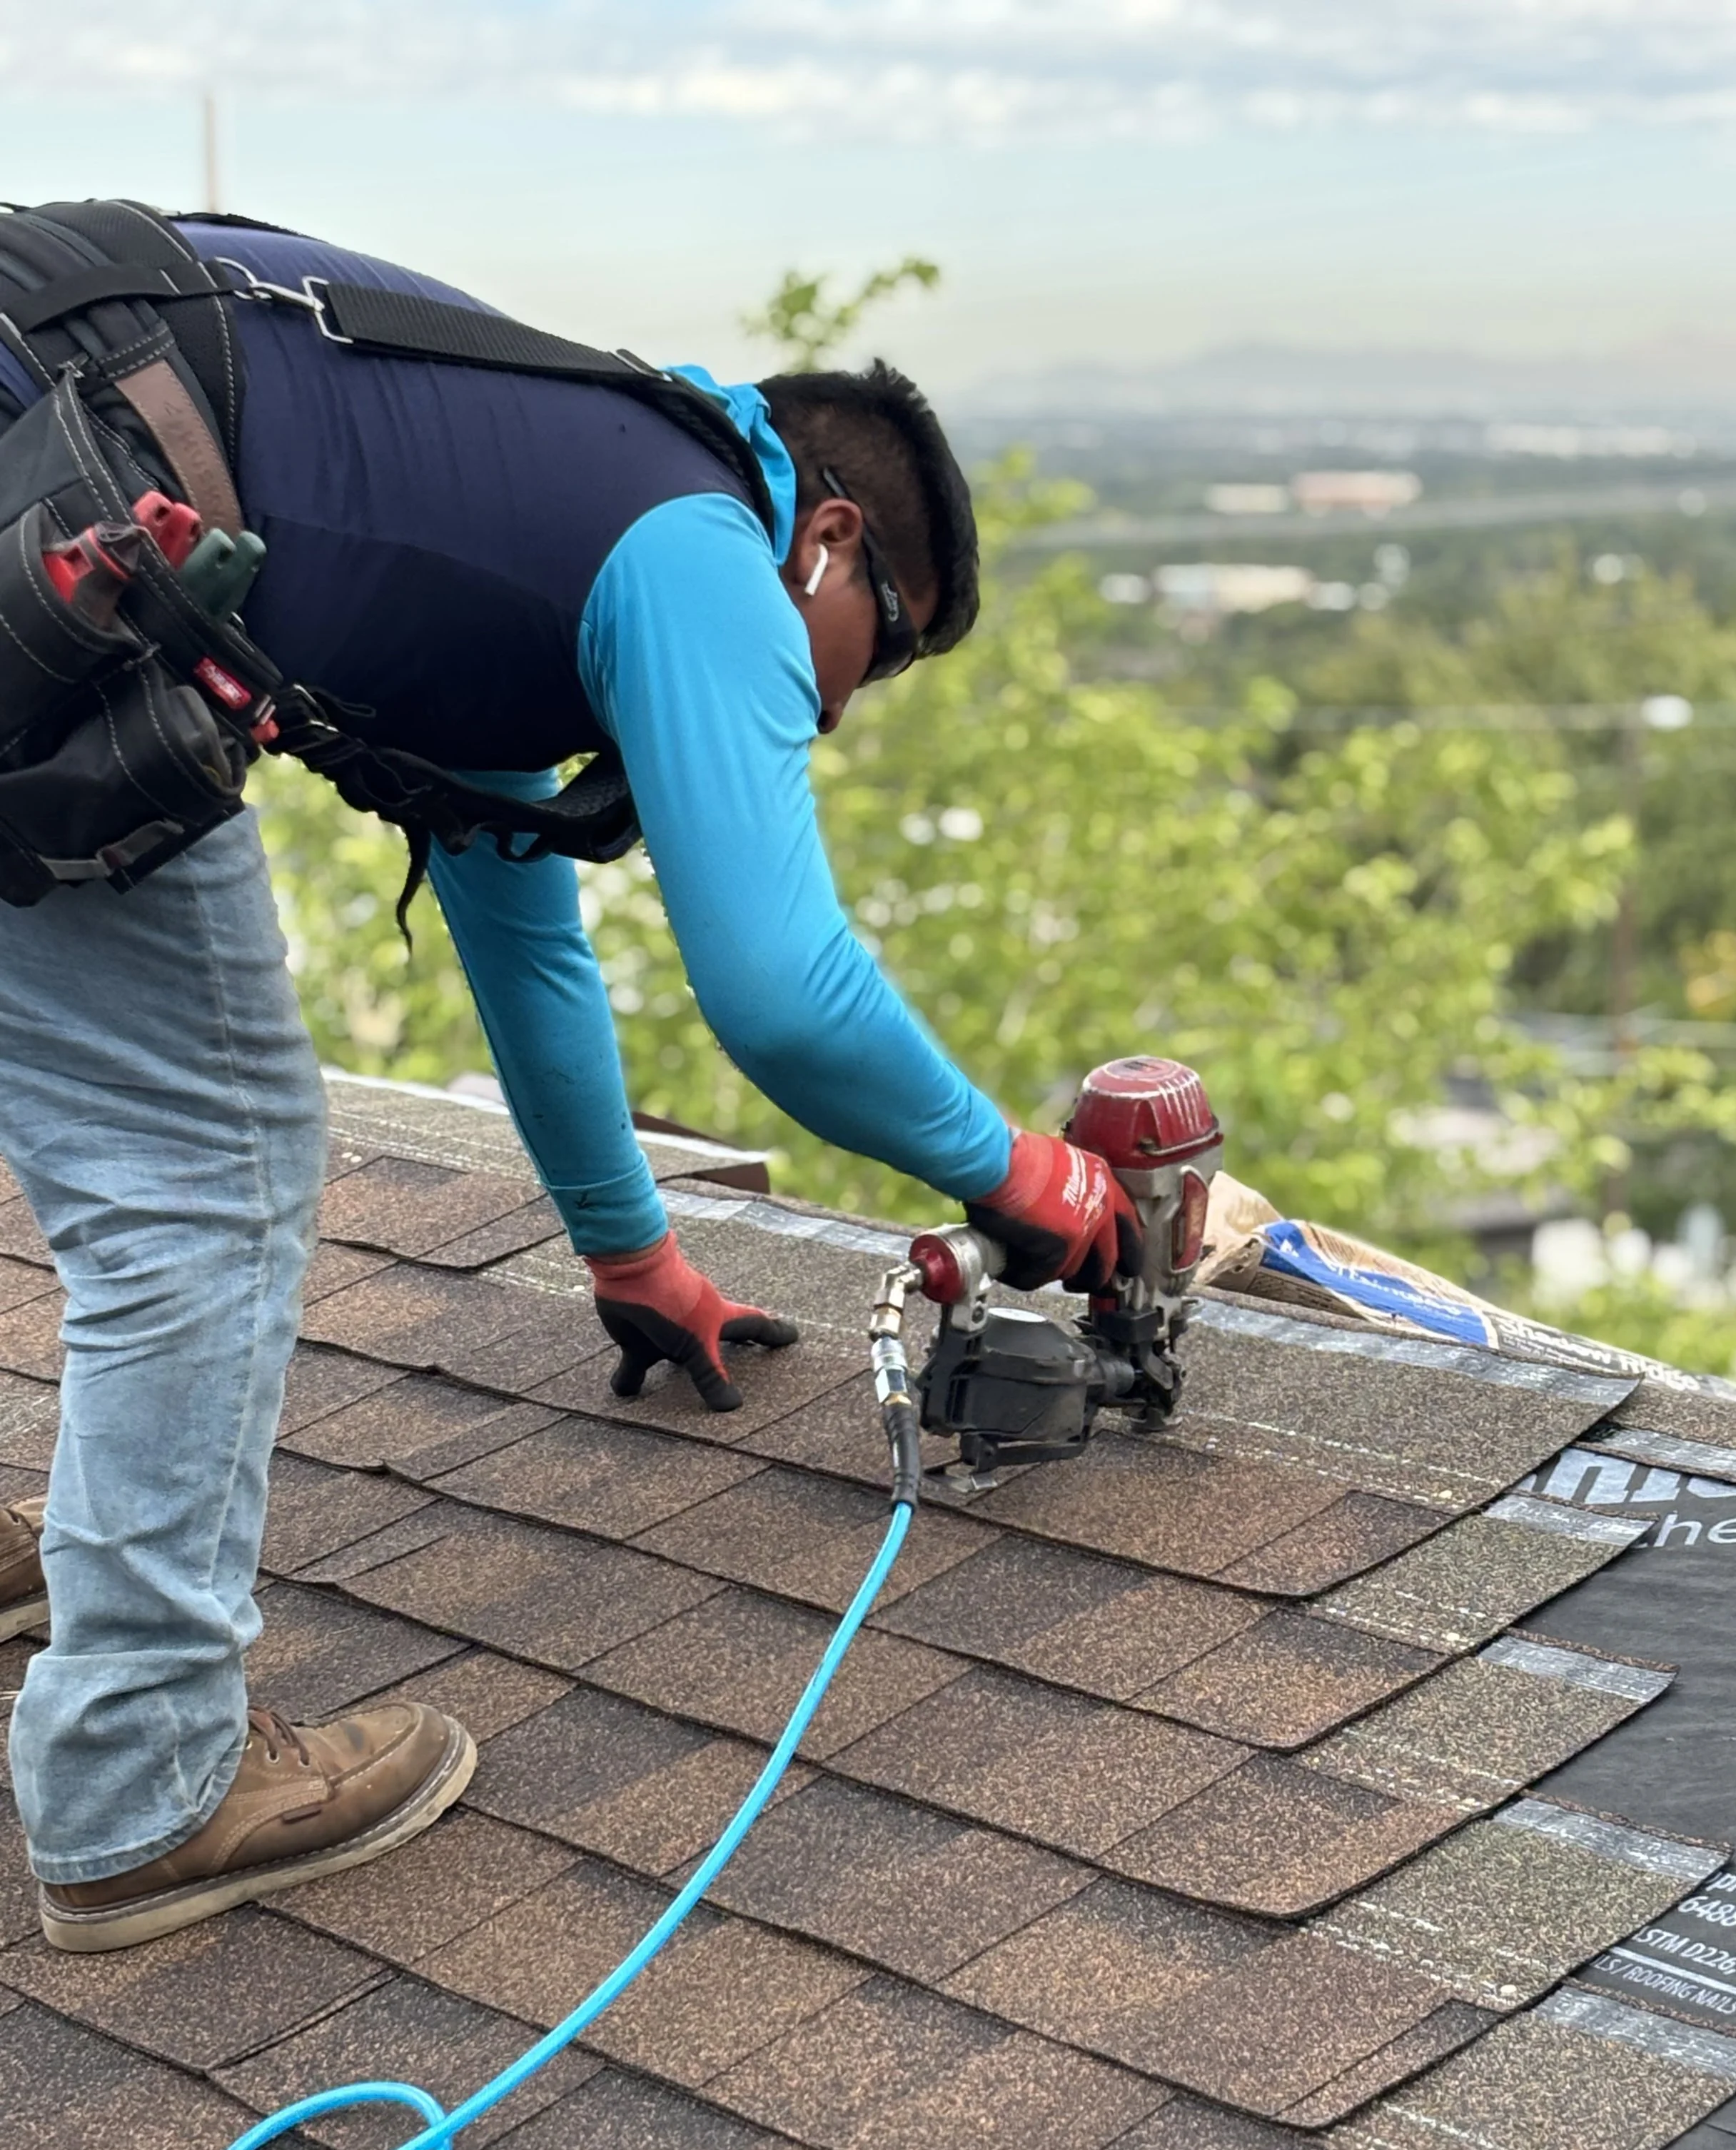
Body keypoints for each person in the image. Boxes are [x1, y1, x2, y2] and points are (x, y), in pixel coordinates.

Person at [0, 214, 1137, 1953]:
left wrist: (630, 1248)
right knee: (203, 1169)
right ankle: (138, 1784)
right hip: (50, 488)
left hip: (41, 434)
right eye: (876, 654)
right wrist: (1027, 1179)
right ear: (823, 542)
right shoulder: (702, 549)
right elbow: (782, 992)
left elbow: (514, 919)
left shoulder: (525, 508)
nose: (835, 713)